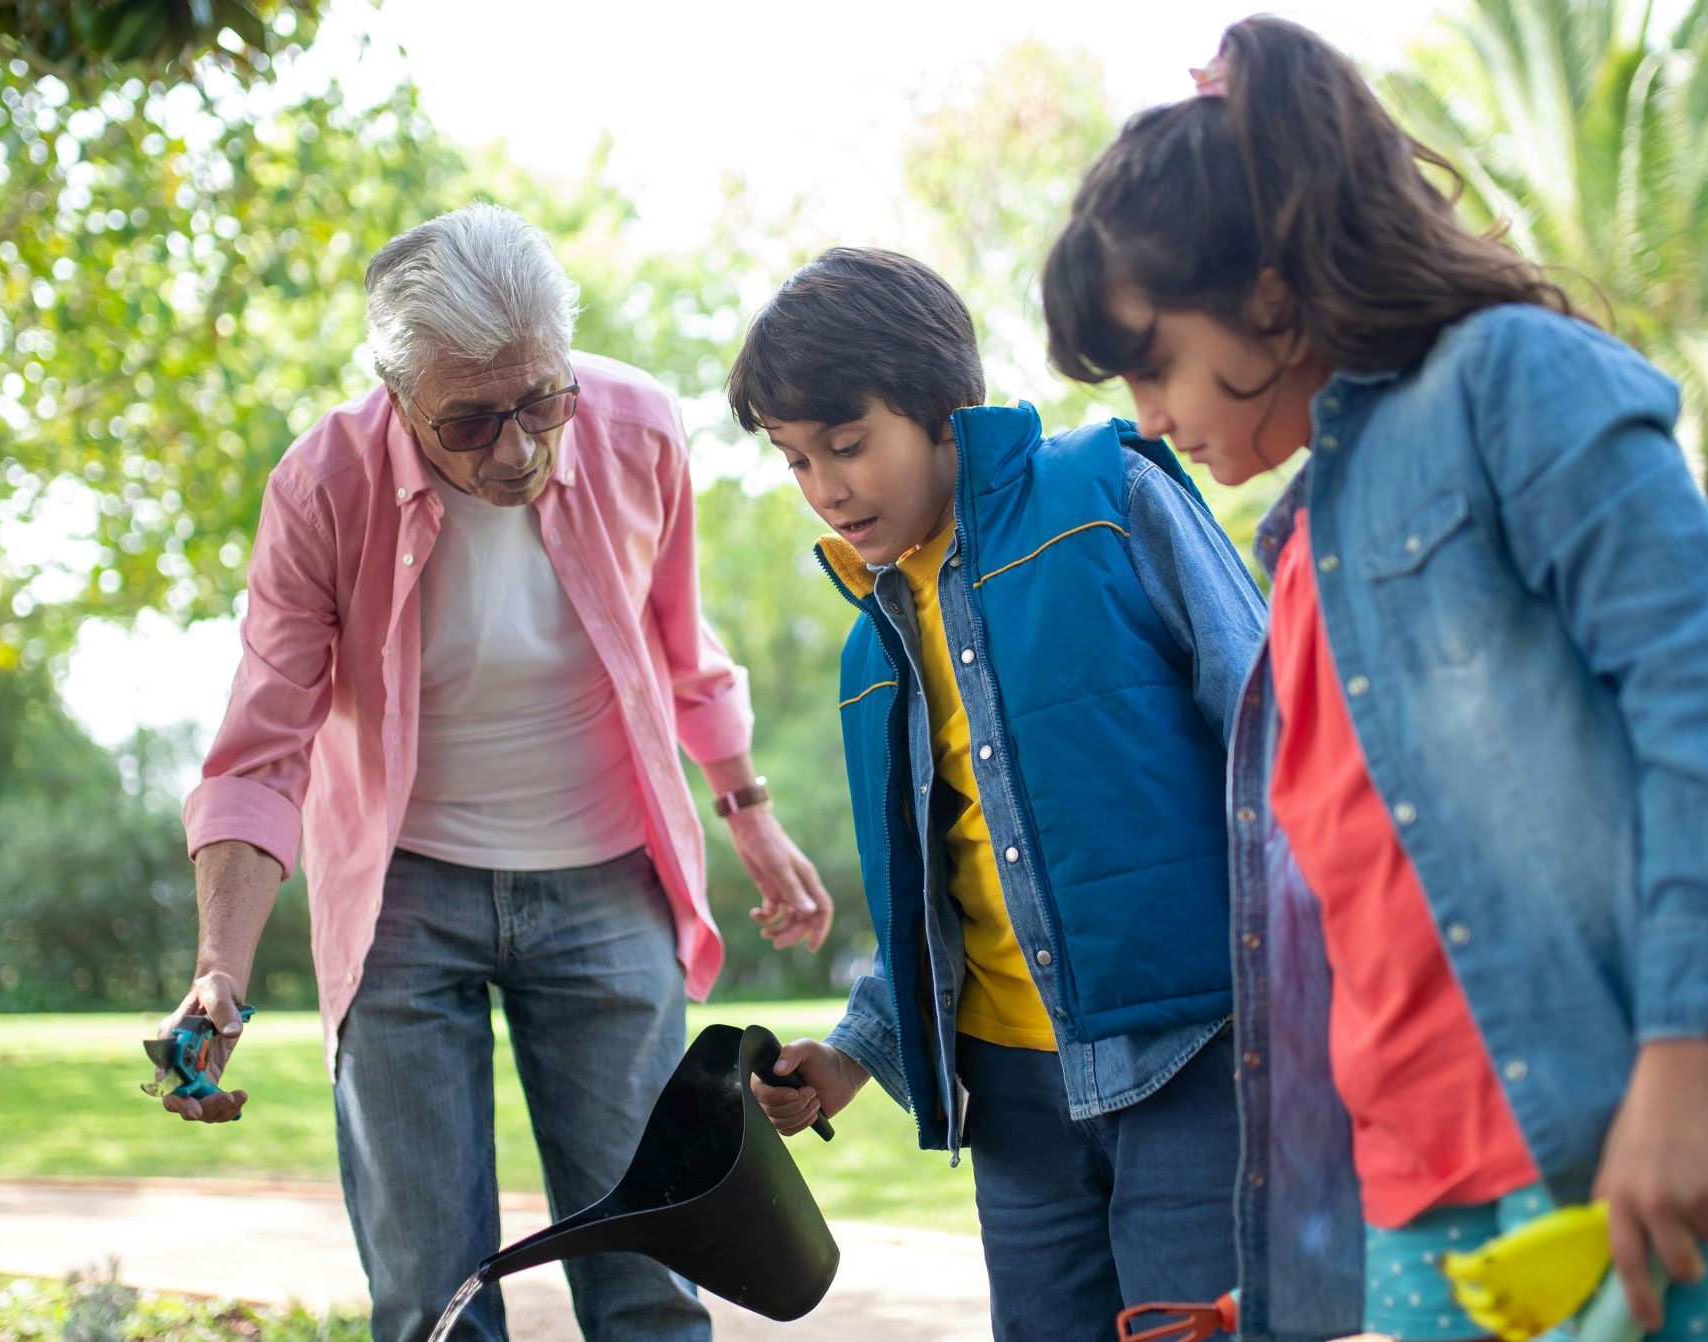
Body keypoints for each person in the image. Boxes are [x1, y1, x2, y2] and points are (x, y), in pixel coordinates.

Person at [1039, 18, 1708, 1342]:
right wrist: (1279, 1288)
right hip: (1420, 1198)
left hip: (1614, 1133)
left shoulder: (1512, 377)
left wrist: (1688, 1064)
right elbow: (1353, 914)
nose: (1150, 417)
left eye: (1152, 360)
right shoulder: (1296, 550)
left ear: (1270, 295)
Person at [162, 204, 834, 1342]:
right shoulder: (323, 485)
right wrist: (219, 967)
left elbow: (682, 645)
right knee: (432, 1291)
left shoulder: (634, 429)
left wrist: (749, 812)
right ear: (397, 394)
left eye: (538, 401)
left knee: (654, 1269)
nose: (517, 450)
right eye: (470, 422)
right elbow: (263, 744)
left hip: (607, 878)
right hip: (404, 895)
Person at [729, 247, 1267, 1341]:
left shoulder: (1103, 496)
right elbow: (943, 897)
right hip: (1013, 1107)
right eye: (794, 461)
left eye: (846, 445)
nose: (825, 488)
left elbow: (1275, 730)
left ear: (939, 411)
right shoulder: (868, 655)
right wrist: (848, 1058)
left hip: (1191, 1060)